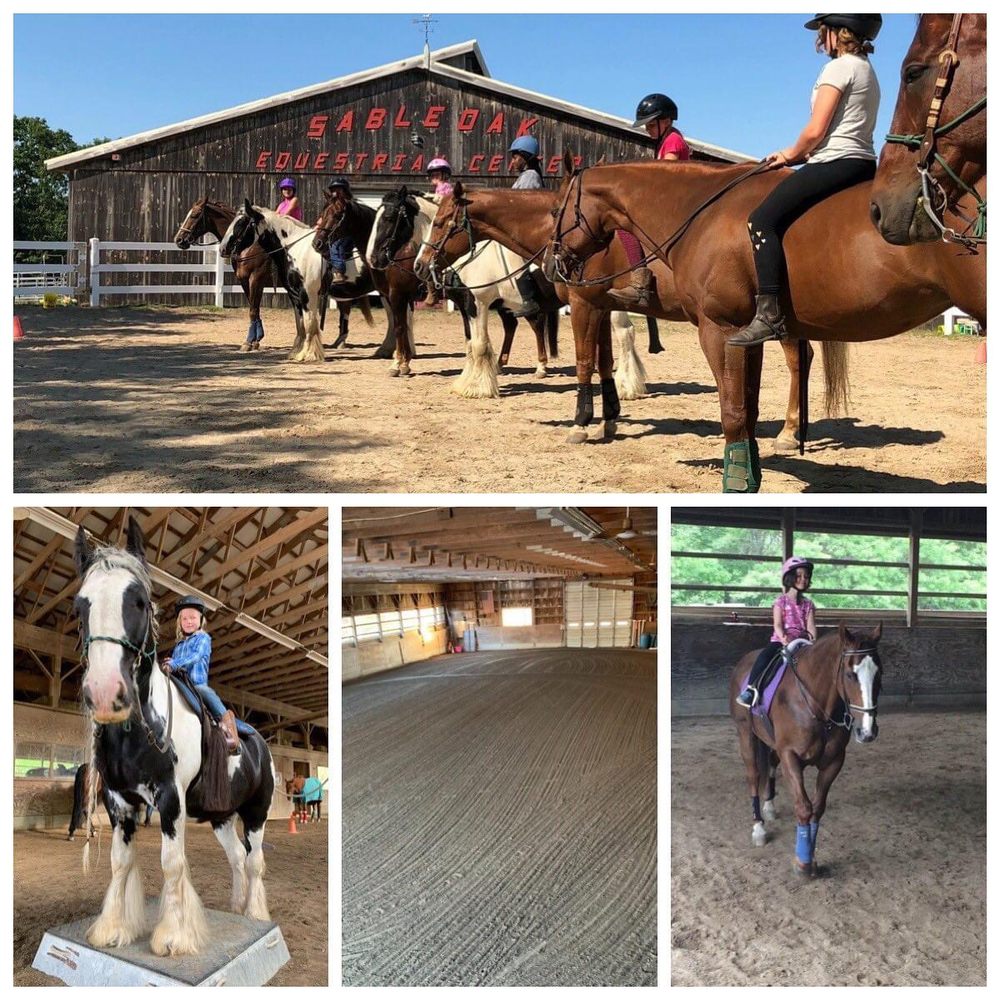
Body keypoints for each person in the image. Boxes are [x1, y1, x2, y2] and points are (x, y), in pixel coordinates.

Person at [728, 13, 882, 347]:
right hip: (863, 163)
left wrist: (789, 154)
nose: (818, 40)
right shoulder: (867, 70)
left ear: (838, 32)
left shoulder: (838, 68)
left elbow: (815, 130)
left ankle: (768, 314)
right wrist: (805, 155)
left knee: (761, 220)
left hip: (836, 161)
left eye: (823, 32)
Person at [609, 93, 691, 309]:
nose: (647, 129)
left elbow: (665, 177)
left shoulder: (673, 141)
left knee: (625, 226)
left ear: (667, 121)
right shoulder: (666, 140)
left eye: (651, 125)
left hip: (674, 206)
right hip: (670, 203)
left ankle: (640, 285)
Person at [161, 595, 240, 753]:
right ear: (179, 622)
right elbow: (175, 664)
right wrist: (168, 665)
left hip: (196, 684)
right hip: (181, 684)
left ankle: (229, 729)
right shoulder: (178, 645)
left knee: (204, 691)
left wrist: (175, 663)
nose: (188, 621)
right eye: (184, 618)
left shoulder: (203, 638)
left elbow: (195, 656)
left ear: (201, 620)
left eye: (193, 618)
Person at [736, 557, 817, 708]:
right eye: (798, 576)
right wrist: (784, 638)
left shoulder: (808, 604)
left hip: (802, 643)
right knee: (765, 657)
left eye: (806, 576)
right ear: (790, 577)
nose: (803, 579)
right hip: (781, 641)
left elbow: (811, 626)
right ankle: (751, 690)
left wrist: (812, 642)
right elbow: (778, 624)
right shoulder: (781, 602)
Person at [508, 136, 545, 317]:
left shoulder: (530, 176)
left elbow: (520, 204)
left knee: (516, 258)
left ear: (525, 157)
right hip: (524, 225)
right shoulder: (526, 176)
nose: (513, 161)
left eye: (516, 157)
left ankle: (529, 299)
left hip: (528, 227)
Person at [423, 159, 455, 305]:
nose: (434, 177)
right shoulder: (439, 188)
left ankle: (433, 291)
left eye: (437, 174)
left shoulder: (445, 187)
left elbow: (444, 203)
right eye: (432, 174)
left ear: (445, 175)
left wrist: (431, 198)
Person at [319, 177, 355, 283]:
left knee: (335, 245)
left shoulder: (346, 203)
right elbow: (326, 217)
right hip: (337, 233)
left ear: (345, 191)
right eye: (334, 190)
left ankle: (339, 272)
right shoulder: (332, 204)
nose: (336, 192)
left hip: (348, 233)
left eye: (339, 189)